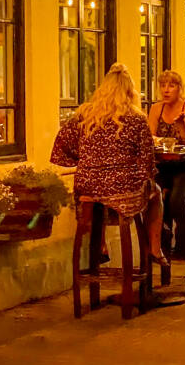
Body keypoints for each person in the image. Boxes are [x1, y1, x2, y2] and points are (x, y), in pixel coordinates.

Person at [51, 63, 168, 265]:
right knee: (155, 192)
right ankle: (155, 249)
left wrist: (86, 162)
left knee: (99, 200)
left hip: (88, 184)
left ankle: (101, 245)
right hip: (123, 187)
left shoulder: (83, 115)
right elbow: (147, 161)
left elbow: (60, 147)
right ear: (130, 91)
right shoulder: (136, 118)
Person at [147, 70, 185, 254]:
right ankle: (161, 244)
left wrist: (180, 126)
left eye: (171, 85)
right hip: (164, 167)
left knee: (176, 198)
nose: (166, 90)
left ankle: (184, 244)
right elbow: (150, 137)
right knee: (152, 196)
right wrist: (160, 141)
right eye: (163, 85)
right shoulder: (156, 109)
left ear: (180, 88)